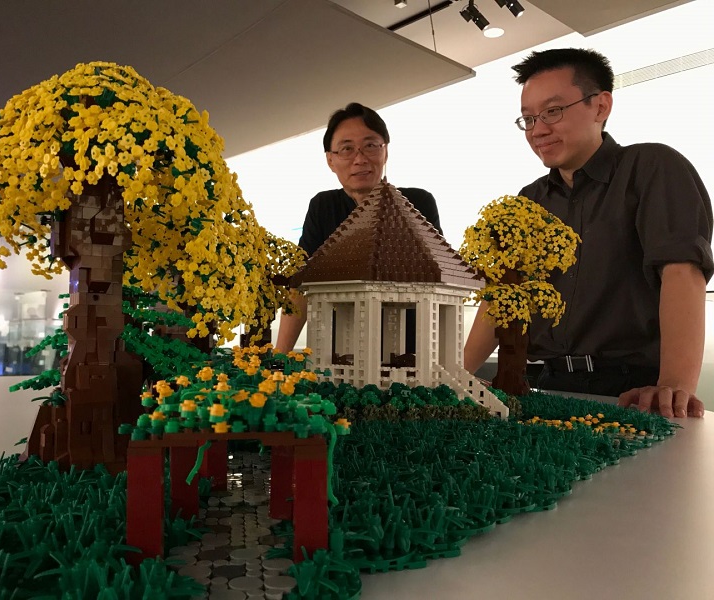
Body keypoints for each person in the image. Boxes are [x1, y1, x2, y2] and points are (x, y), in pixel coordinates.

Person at [463, 48, 713, 419]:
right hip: (543, 384)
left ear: (601, 106)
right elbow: (502, 297)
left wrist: (673, 385)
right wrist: (453, 375)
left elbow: (681, 271)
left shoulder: (651, 167)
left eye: (552, 111)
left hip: (630, 388)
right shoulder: (528, 200)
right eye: (528, 119)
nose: (538, 130)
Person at [274, 102, 443, 353]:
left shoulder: (417, 203)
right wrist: (280, 356)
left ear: (385, 152)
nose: (360, 159)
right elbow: (300, 285)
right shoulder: (323, 206)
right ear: (331, 160)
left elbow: (439, 287)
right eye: (347, 149)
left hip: (408, 354)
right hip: (336, 352)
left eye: (371, 146)